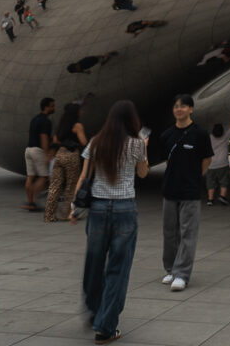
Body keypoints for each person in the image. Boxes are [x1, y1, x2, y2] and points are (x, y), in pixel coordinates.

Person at [74, 100, 149, 344]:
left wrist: (75, 207)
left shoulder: (96, 141)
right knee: (118, 268)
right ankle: (105, 327)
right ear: (132, 120)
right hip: (124, 209)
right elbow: (142, 173)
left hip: (97, 209)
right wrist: (145, 148)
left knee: (94, 264)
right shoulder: (137, 143)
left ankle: (95, 309)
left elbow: (85, 176)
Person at [160, 94, 214, 292]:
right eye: (176, 106)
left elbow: (207, 159)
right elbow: (168, 161)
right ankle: (171, 269)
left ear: (191, 109)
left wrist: (194, 176)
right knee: (169, 232)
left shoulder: (200, 134)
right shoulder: (166, 135)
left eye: (183, 106)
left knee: (188, 232)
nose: (179, 109)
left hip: (190, 191)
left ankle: (182, 274)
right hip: (169, 189)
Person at [44, 103, 87, 222]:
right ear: (76, 112)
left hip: (59, 154)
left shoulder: (61, 125)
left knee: (55, 186)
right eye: (80, 110)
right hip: (71, 155)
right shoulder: (77, 125)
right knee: (71, 186)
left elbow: (56, 140)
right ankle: (66, 214)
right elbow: (83, 142)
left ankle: (49, 215)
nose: (81, 112)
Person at [23, 97, 55, 212]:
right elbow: (43, 137)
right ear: (46, 107)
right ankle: (34, 199)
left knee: (30, 177)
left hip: (28, 149)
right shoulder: (46, 121)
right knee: (43, 177)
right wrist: (47, 154)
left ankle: (30, 202)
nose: (54, 108)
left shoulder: (35, 119)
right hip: (38, 150)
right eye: (52, 106)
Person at [205, 122, 230, 207]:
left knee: (210, 182)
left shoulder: (210, 138)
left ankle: (210, 199)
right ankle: (222, 196)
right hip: (223, 164)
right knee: (224, 181)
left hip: (211, 164)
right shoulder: (225, 136)